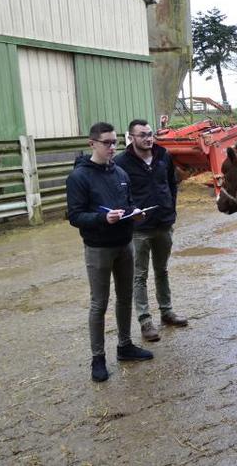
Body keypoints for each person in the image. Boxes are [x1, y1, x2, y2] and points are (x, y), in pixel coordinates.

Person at [66, 122, 153, 382]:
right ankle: (98, 358)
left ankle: (125, 346)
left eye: (115, 142)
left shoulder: (120, 173)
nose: (112, 147)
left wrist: (134, 213)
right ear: (92, 143)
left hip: (124, 243)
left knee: (125, 297)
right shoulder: (79, 177)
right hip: (98, 248)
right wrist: (103, 220)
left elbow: (127, 204)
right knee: (99, 303)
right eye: (107, 143)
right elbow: (75, 215)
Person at [115, 119, 187, 342]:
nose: (148, 138)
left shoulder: (163, 155)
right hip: (139, 229)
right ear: (131, 137)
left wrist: (170, 208)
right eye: (142, 135)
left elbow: (171, 184)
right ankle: (146, 320)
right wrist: (131, 213)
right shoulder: (121, 163)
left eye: (150, 134)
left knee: (162, 270)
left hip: (164, 223)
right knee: (139, 275)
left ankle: (167, 312)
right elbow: (119, 195)